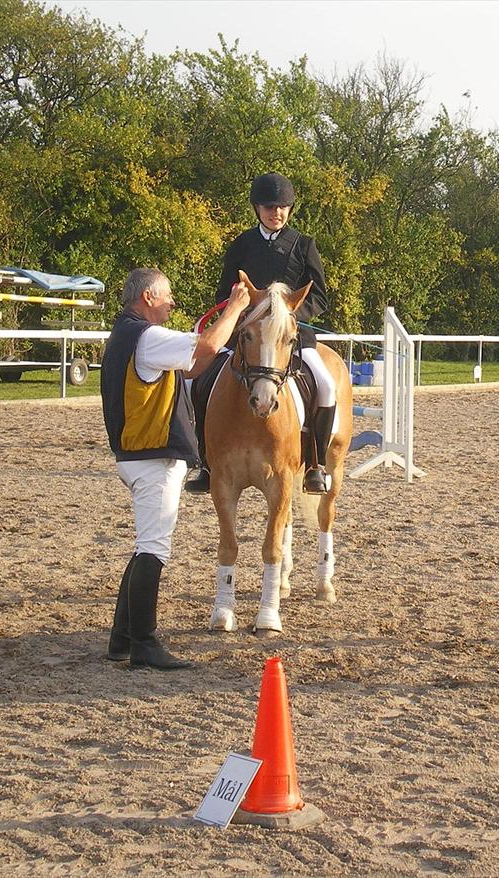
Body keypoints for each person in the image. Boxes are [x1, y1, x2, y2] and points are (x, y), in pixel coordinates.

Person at [101, 267, 250, 670]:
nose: (172, 302)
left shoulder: (127, 335)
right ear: (147, 297)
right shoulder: (146, 338)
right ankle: (145, 643)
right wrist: (235, 307)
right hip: (153, 456)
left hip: (137, 455)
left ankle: (121, 637)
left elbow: (192, 368)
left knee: (144, 546)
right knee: (154, 548)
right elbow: (205, 349)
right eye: (166, 296)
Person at [184, 172, 336, 496]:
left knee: (325, 385)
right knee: (197, 381)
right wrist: (240, 315)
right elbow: (223, 293)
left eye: (283, 207)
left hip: (288, 338)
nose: (276, 213)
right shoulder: (241, 245)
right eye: (270, 207)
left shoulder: (304, 245)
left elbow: (320, 296)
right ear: (257, 208)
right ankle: (205, 462)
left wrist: (290, 315)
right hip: (246, 337)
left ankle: (315, 465)